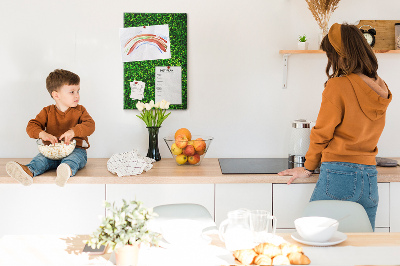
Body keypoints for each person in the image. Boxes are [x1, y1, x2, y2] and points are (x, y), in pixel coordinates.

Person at [278, 23, 392, 230]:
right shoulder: (380, 86)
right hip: (369, 176)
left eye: (330, 54)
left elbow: (322, 133)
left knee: (314, 237)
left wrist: (308, 167)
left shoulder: (338, 86)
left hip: (339, 174)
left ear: (340, 54)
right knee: (361, 246)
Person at [6, 69, 95, 187]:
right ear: (56, 95)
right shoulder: (47, 111)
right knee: (40, 160)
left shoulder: (80, 110)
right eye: (72, 92)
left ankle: (65, 171)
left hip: (76, 150)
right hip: (51, 151)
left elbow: (90, 125)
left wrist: (73, 131)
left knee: (73, 159)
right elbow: (32, 126)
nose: (77, 95)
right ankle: (27, 172)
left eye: (78, 91)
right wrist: (42, 134)